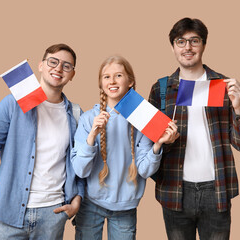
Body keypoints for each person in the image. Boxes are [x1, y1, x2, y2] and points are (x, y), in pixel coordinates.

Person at [0, 43, 85, 240]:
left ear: (72, 74)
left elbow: (78, 165)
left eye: (66, 65)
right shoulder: (12, 104)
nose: (58, 68)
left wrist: (77, 200)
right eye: (53, 62)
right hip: (9, 214)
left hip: (52, 215)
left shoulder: (77, 115)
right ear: (40, 65)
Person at [148, 18, 240, 239]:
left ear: (203, 45)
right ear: (173, 47)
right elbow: (148, 146)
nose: (187, 47)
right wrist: (162, 139)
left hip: (216, 190)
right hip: (175, 190)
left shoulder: (224, 85)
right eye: (181, 41)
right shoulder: (161, 88)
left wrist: (238, 107)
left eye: (194, 41)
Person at [71, 55, 179, 240]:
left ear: (130, 81)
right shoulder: (88, 119)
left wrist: (158, 143)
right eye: (106, 77)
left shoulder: (143, 119)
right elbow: (80, 170)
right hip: (91, 204)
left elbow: (145, 171)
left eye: (118, 75)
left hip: (126, 207)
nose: (112, 81)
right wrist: (92, 136)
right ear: (101, 84)